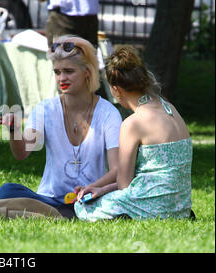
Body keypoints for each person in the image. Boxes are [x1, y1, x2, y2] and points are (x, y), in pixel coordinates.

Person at [0, 35, 122, 216]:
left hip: (92, 196)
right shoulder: (45, 109)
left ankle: (61, 213)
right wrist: (14, 129)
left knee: (115, 198)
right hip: (49, 199)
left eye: (69, 71)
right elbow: (22, 153)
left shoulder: (109, 113)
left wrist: (91, 188)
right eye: (57, 72)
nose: (62, 78)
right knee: (7, 191)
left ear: (87, 72)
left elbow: (117, 169)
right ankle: (65, 213)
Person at [74, 46, 194, 221]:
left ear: (116, 89)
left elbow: (124, 185)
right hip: (180, 208)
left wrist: (101, 192)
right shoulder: (170, 108)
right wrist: (98, 188)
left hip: (153, 208)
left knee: (83, 206)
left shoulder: (133, 123)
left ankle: (126, 215)